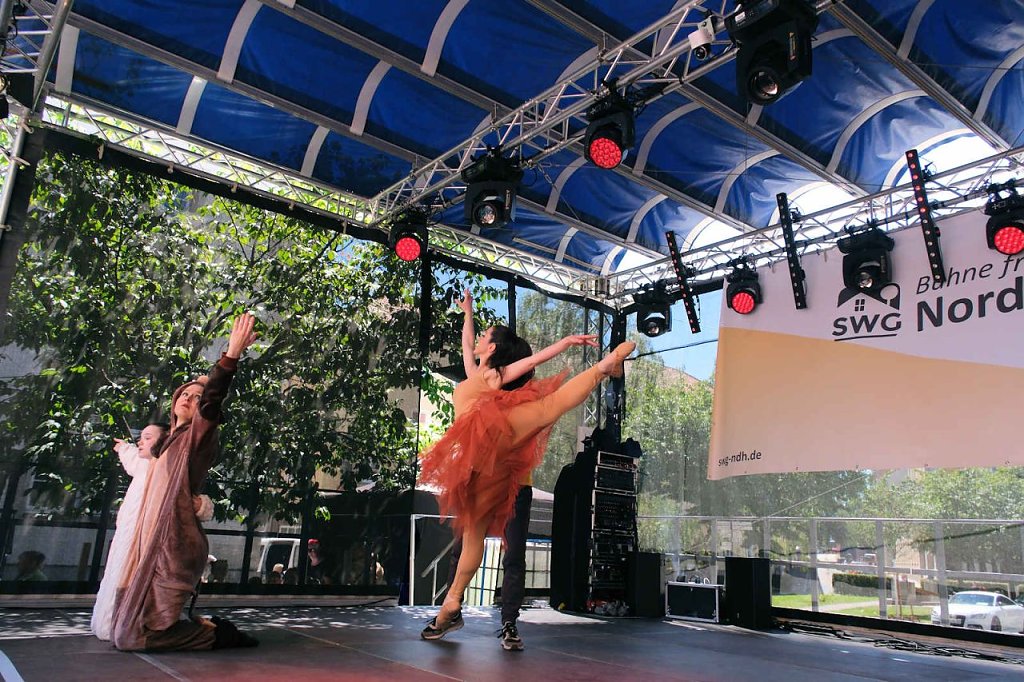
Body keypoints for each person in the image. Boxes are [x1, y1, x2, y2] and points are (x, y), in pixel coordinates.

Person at [419, 289, 634, 641]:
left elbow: (532, 361)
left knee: (548, 408)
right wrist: (467, 312)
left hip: (492, 441)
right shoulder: (475, 372)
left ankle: (602, 368)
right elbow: (467, 342)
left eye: (485, 336)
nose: (478, 339)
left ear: (492, 348)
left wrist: (565, 343)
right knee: (472, 537)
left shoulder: (494, 375)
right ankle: (451, 605)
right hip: (481, 463)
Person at [111, 313, 259, 652]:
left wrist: (231, 354)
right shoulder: (167, 445)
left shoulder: (197, 438)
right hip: (150, 547)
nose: (189, 399)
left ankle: (219, 635)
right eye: (185, 394)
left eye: (197, 397)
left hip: (174, 549)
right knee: (123, 629)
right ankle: (204, 628)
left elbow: (213, 401)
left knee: (134, 637)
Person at [92, 422, 205, 640]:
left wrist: (199, 505)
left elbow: (189, 497)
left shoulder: (166, 468)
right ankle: (111, 624)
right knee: (117, 575)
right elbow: (132, 459)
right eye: (140, 438)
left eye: (148, 438)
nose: (140, 442)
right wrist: (123, 448)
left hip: (146, 537)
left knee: (133, 580)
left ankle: (126, 625)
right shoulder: (144, 467)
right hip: (126, 535)